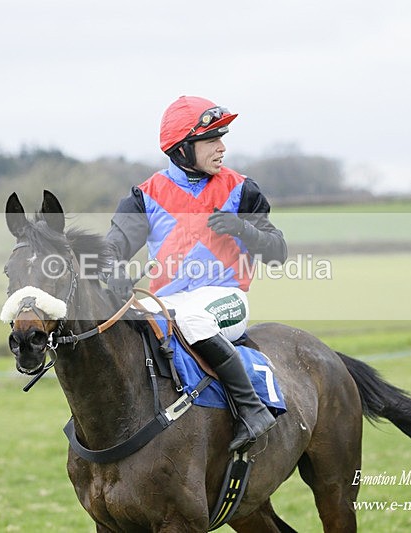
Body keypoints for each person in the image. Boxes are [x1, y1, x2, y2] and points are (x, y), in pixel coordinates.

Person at [104, 95, 288, 452]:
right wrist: (113, 272)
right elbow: (112, 248)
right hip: (166, 302)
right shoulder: (144, 196)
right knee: (123, 325)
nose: (222, 148)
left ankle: (253, 410)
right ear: (183, 148)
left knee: (191, 319)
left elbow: (278, 252)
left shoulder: (242, 189)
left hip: (226, 299)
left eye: (222, 138)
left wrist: (243, 229)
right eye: (211, 140)